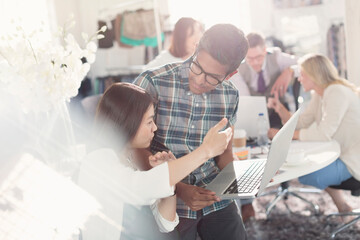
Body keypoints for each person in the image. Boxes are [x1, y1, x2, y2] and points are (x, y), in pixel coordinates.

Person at [134, 24, 249, 240]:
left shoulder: (230, 95)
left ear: (231, 74)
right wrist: (180, 189)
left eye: (212, 78)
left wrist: (243, 179)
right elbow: (132, 149)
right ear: (195, 49)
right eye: (197, 67)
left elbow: (225, 154)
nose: (199, 80)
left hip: (213, 196)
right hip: (166, 195)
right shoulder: (152, 83)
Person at [77, 82, 233, 240]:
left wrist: (169, 177)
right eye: (149, 122)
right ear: (128, 121)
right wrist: (206, 151)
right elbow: (138, 189)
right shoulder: (98, 159)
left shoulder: (131, 159)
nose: (155, 128)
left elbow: (166, 223)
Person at [267, 53, 360, 214]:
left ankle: (342, 205)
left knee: (309, 175)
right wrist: (279, 108)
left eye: (302, 75)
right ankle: (342, 206)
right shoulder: (319, 93)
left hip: (352, 159)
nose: (299, 79)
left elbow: (323, 133)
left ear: (314, 75)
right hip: (339, 152)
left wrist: (286, 135)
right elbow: (302, 122)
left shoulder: (336, 91)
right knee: (305, 171)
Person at [234, 32, 299, 220]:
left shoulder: (277, 57)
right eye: (250, 58)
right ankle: (247, 201)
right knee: (243, 145)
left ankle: (281, 169)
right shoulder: (240, 69)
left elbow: (306, 64)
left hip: (279, 112)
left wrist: (290, 70)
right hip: (256, 114)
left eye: (259, 57)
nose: (254, 63)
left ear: (265, 50)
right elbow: (245, 101)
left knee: (280, 135)